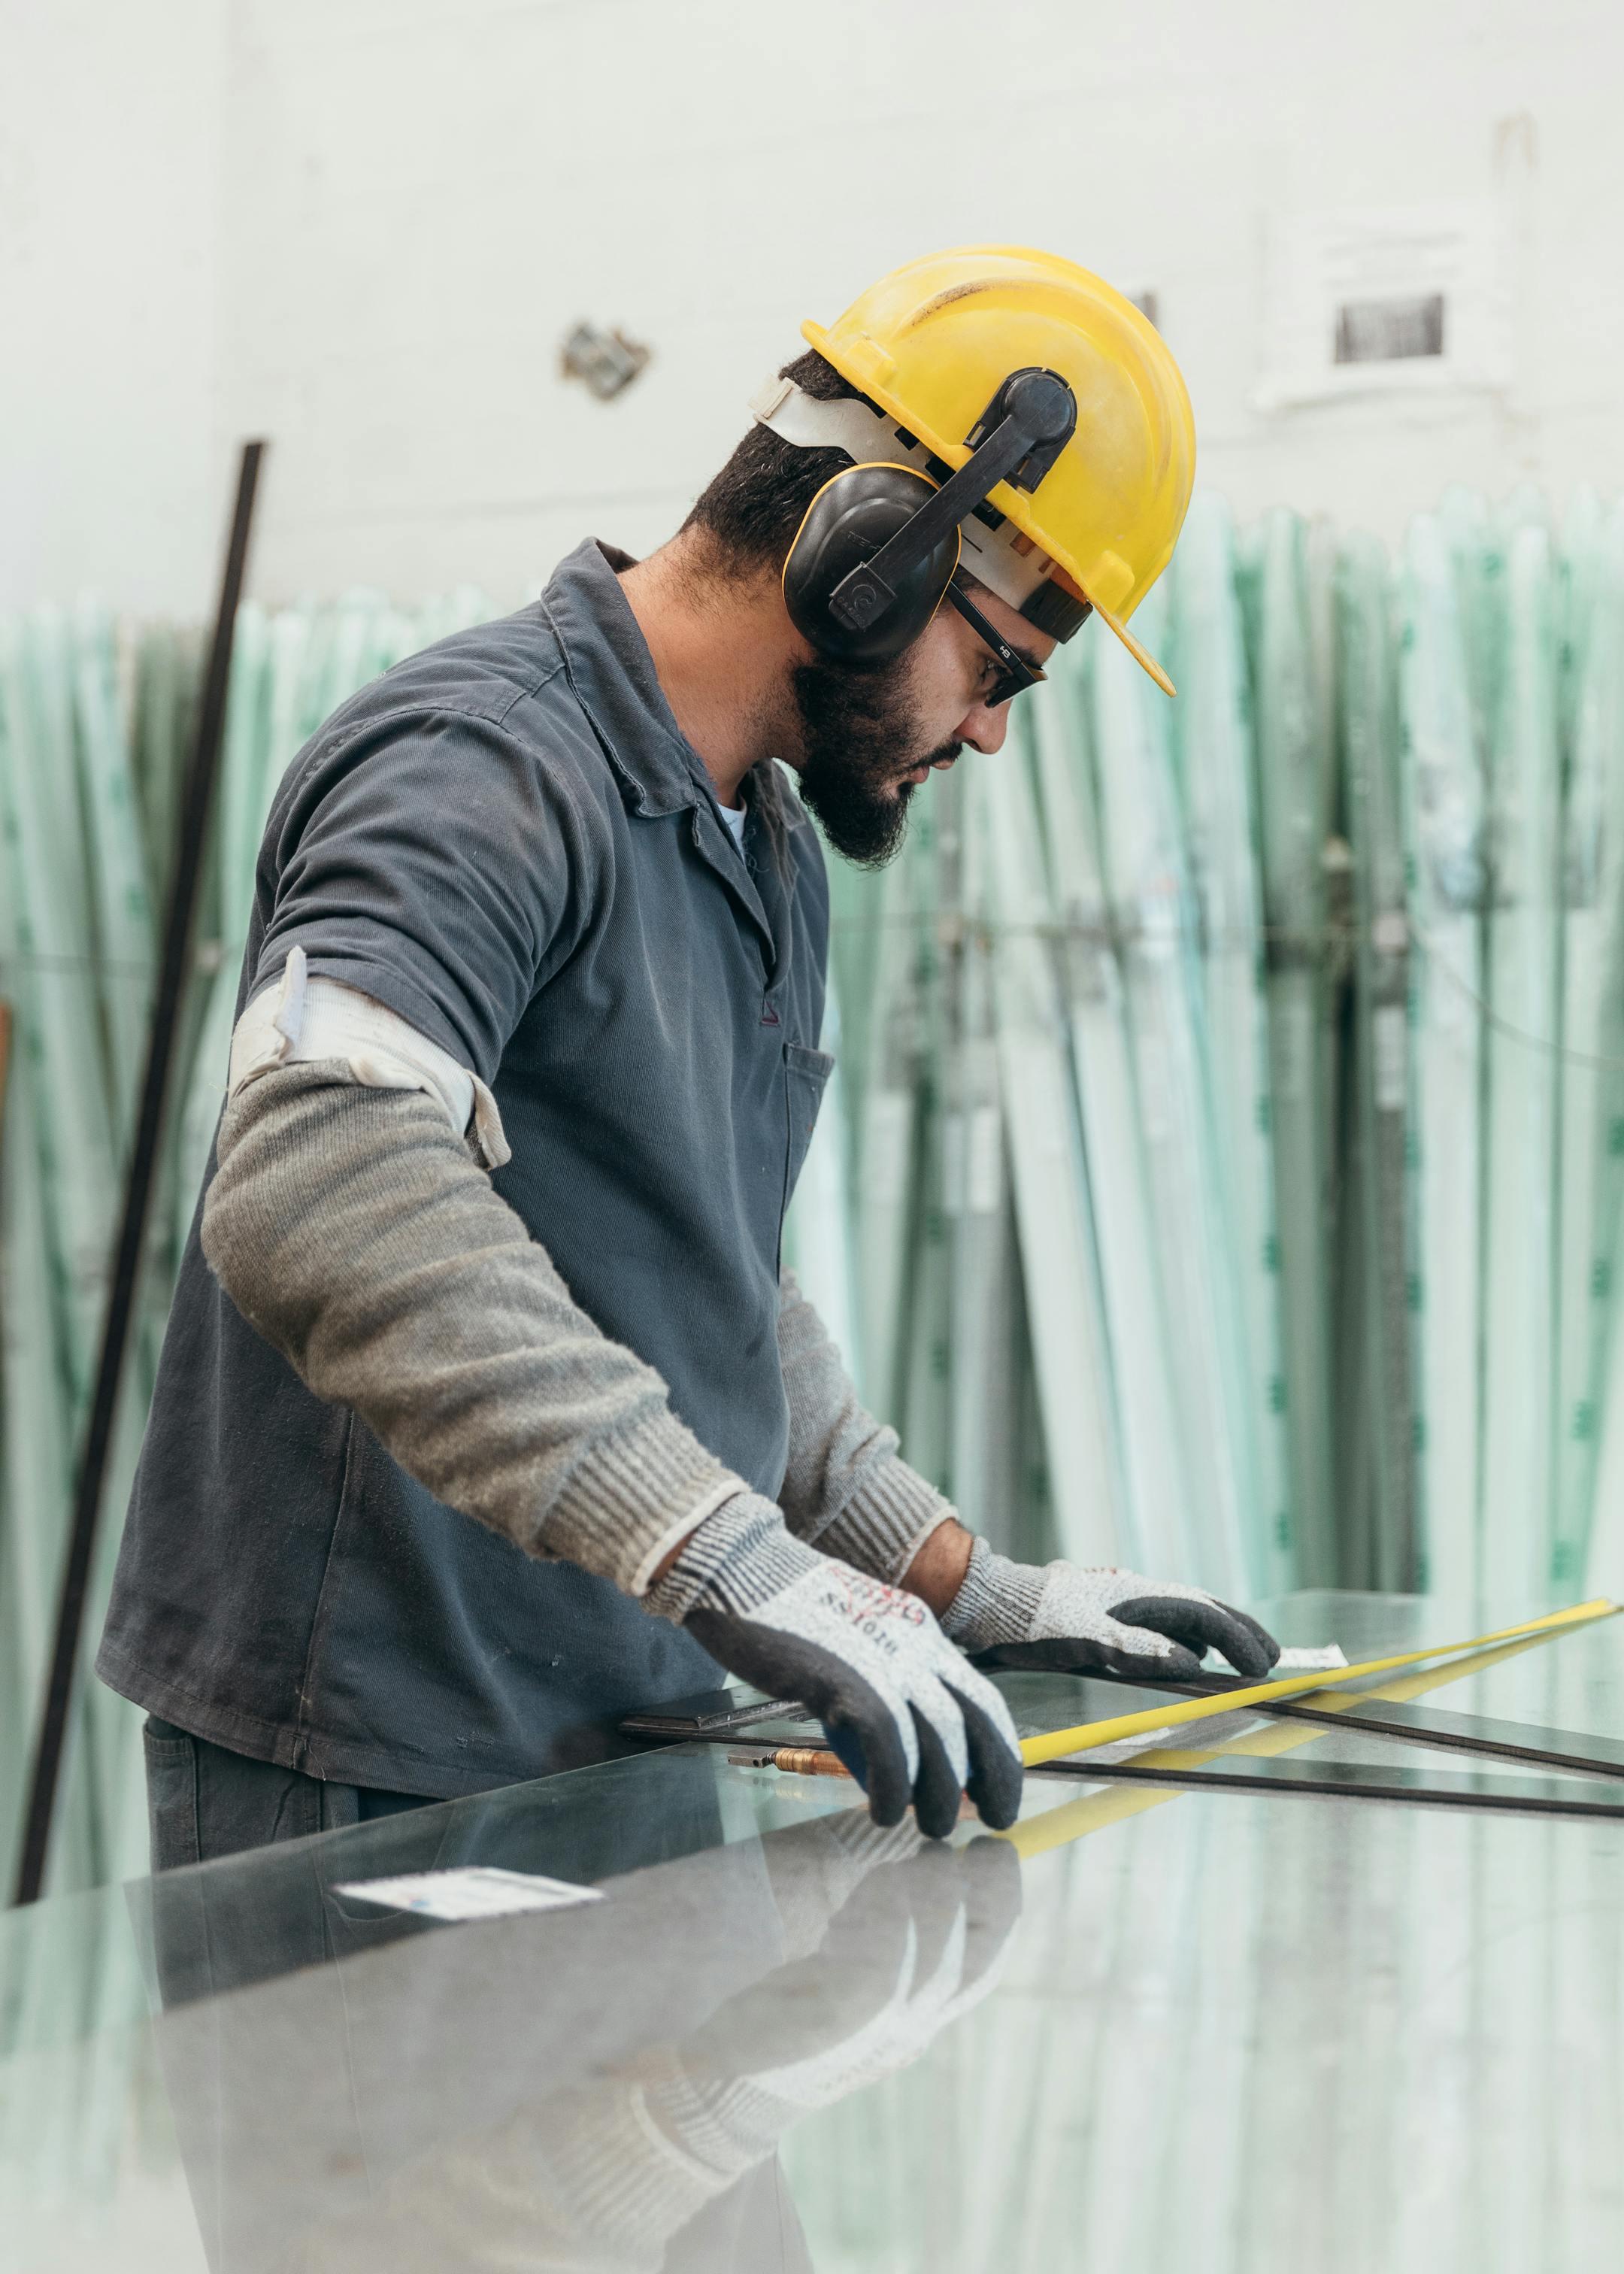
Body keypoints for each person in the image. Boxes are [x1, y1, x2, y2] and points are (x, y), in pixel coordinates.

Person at [98, 244, 1279, 1868]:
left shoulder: (763, 850)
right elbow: (316, 1172)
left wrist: (954, 1578)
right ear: (872, 550)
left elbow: (697, 1274)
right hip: (377, 1743)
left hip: (619, 1723)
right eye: (999, 662)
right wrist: (732, 1558)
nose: (995, 729)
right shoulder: (484, 766)